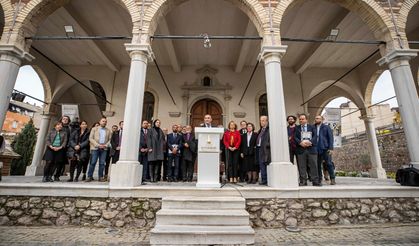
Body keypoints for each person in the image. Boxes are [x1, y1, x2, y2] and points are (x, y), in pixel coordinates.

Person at [294, 114, 320, 186]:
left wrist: (310, 142)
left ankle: (315, 181)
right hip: (301, 149)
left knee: (313, 165)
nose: (301, 120)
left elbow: (315, 136)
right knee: (302, 166)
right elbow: (295, 137)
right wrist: (300, 142)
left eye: (302, 119)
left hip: (311, 149)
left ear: (306, 120)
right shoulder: (297, 128)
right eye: (300, 119)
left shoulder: (312, 127)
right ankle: (303, 181)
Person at [87, 117, 112, 182]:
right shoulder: (94, 129)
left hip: (104, 148)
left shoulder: (108, 130)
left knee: (102, 163)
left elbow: (110, 140)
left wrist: (105, 145)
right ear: (100, 122)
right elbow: (91, 138)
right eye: (103, 121)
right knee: (93, 162)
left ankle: (100, 177)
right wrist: (98, 145)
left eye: (105, 121)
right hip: (95, 148)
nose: (104, 122)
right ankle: (89, 176)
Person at [314, 115, 336, 185]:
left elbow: (330, 138)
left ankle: (332, 179)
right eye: (315, 118)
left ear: (322, 119)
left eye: (318, 118)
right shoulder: (313, 127)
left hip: (325, 148)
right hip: (316, 148)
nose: (316, 119)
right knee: (317, 165)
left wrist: (331, 148)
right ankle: (319, 179)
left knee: (329, 163)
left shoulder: (326, 127)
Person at [54, 115, 71, 180]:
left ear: (68, 121)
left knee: (61, 162)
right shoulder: (58, 126)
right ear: (61, 119)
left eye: (67, 119)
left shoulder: (69, 128)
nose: (65, 120)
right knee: (54, 162)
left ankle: (57, 176)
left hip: (64, 148)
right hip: (55, 146)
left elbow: (70, 137)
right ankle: (50, 175)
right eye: (64, 119)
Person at [256, 116, 270, 185]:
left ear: (267, 121)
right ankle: (263, 179)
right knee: (261, 165)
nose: (261, 122)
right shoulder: (261, 130)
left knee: (266, 164)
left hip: (266, 150)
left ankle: (267, 180)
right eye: (261, 120)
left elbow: (271, 140)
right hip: (260, 149)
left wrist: (267, 145)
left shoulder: (269, 130)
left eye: (263, 120)